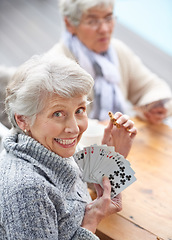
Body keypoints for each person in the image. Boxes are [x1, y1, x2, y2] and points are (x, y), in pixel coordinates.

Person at [0, 54, 137, 239]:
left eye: (79, 110)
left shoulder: (50, 147)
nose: (74, 128)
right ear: (23, 119)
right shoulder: (28, 191)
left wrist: (114, 155)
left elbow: (92, 181)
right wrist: (91, 221)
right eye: (58, 113)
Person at [46, 0, 172, 124]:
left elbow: (153, 87)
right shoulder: (56, 67)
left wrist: (155, 106)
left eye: (108, 18)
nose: (104, 29)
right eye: (92, 21)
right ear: (69, 24)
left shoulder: (117, 51)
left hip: (119, 138)